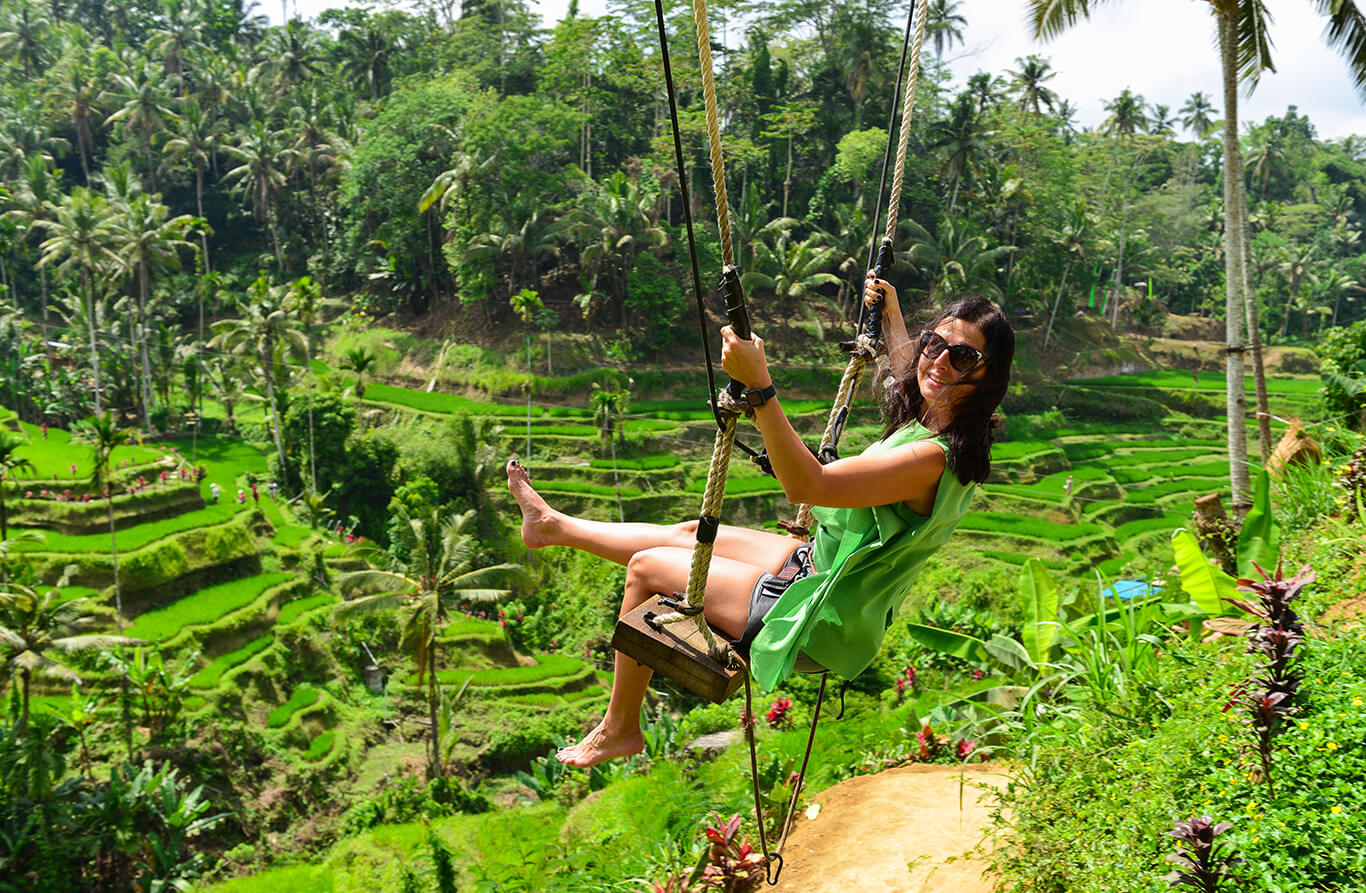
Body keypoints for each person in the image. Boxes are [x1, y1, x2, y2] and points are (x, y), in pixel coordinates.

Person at [507, 274, 1014, 769]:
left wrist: (761, 386)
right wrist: (894, 319)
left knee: (645, 569)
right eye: (934, 343)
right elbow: (915, 370)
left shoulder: (928, 459)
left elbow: (808, 486)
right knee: (690, 534)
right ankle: (552, 527)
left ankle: (621, 728)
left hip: (822, 617)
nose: (939, 360)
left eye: (962, 355)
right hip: (821, 567)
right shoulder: (946, 425)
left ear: (988, 375)